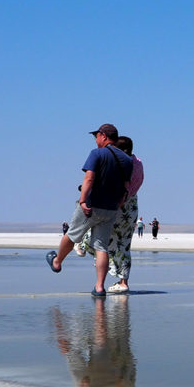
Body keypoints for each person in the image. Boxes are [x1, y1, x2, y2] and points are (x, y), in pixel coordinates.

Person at [46, 124, 133, 296]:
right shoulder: (127, 160)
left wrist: (83, 200)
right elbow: (125, 187)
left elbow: (89, 178)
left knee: (72, 234)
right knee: (101, 246)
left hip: (92, 205)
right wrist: (118, 204)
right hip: (110, 208)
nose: (95, 140)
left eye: (96, 136)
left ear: (103, 136)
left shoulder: (97, 154)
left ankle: (57, 262)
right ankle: (99, 287)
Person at [76, 136, 144, 293]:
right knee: (124, 244)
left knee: (100, 234)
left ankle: (82, 245)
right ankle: (123, 282)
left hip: (116, 203)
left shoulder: (119, 163)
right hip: (131, 206)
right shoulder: (138, 163)